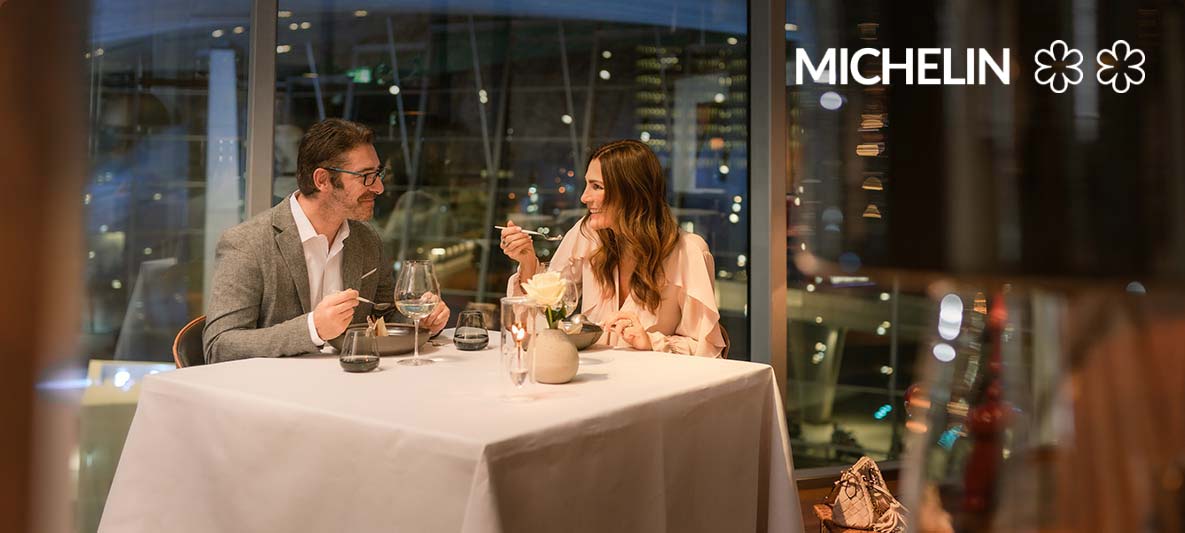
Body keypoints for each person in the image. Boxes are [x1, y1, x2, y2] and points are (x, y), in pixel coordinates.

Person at [203, 119, 450, 363]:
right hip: (273, 395)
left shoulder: (366, 237)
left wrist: (422, 321)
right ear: (322, 180)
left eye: (378, 174)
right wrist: (313, 329)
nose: (379, 188)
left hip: (353, 384)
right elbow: (220, 346)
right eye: (365, 176)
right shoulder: (246, 243)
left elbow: (383, 315)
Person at [500, 140, 726, 357]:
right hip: (592, 381)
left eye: (597, 187)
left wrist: (651, 342)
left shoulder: (689, 252)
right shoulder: (587, 233)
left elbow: (706, 351)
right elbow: (544, 315)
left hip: (655, 387)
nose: (584, 197)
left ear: (632, 193)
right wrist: (527, 261)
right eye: (587, 184)